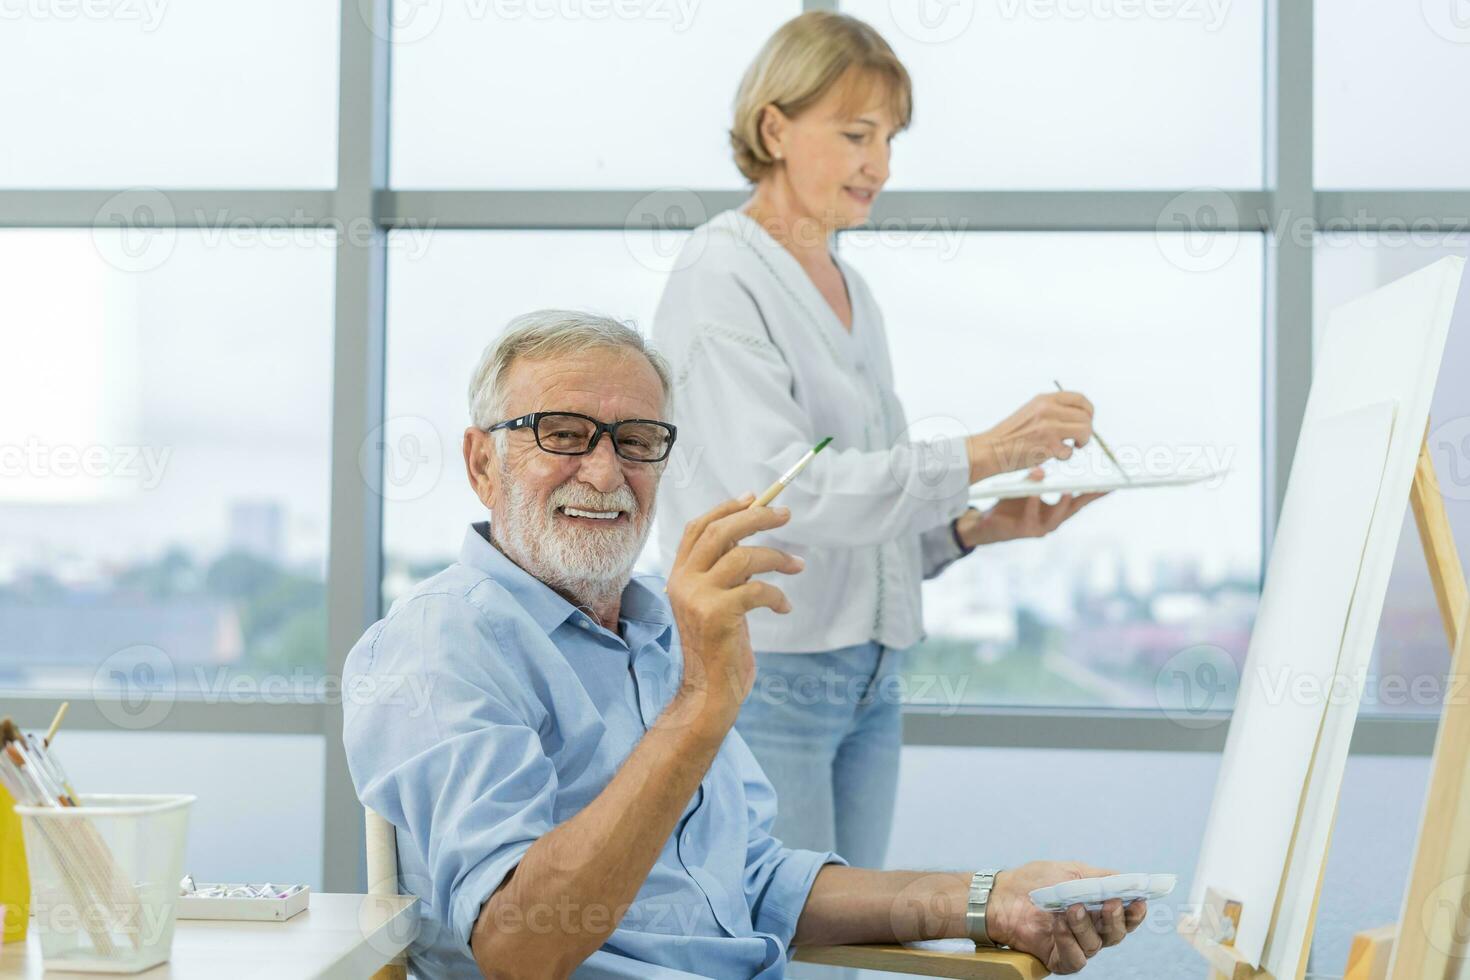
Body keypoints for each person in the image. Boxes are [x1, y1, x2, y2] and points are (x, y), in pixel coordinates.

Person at [342, 311, 1145, 979]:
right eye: (562, 433)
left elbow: (755, 881)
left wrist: (988, 898)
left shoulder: (659, 629)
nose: (604, 472)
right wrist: (700, 704)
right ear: (483, 461)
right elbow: (521, 946)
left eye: (637, 439)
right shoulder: (438, 647)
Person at [652, 11, 1105, 877]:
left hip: (868, 680)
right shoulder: (722, 275)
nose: (881, 165)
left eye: (891, 138)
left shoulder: (853, 288)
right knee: (786, 949)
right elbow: (783, 498)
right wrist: (983, 451)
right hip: (772, 675)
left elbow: (858, 520)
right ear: (773, 127)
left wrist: (973, 528)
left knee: (850, 951)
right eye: (856, 133)